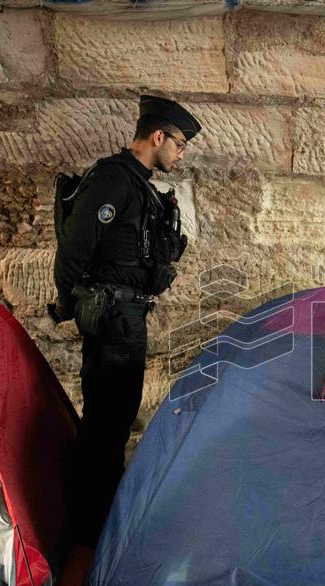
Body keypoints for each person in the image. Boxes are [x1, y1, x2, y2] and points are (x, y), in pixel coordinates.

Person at [48, 94, 201, 546]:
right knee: (106, 424)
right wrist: (69, 302)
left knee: (113, 421)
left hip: (126, 314)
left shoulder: (139, 185)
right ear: (157, 136)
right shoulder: (114, 180)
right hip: (113, 317)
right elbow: (74, 249)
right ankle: (88, 531)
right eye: (178, 143)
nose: (181, 152)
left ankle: (95, 521)